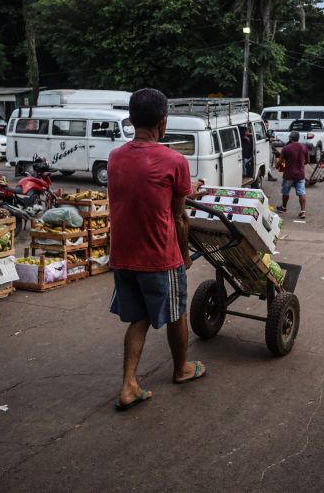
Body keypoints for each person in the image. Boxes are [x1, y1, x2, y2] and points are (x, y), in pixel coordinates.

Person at [107, 88, 206, 411]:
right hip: (159, 256)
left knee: (139, 317)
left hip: (123, 254)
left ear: (132, 120)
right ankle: (182, 368)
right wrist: (185, 254)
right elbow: (178, 216)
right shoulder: (175, 161)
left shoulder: (115, 157)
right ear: (163, 122)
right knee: (176, 311)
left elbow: (143, 192)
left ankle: (128, 385)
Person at [275, 130, 309, 219]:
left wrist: (276, 166)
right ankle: (303, 212)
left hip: (289, 174)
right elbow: (307, 161)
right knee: (301, 193)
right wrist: (300, 165)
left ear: (290, 138)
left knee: (285, 192)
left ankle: (284, 207)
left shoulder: (286, 148)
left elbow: (280, 161)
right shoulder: (304, 147)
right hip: (300, 174)